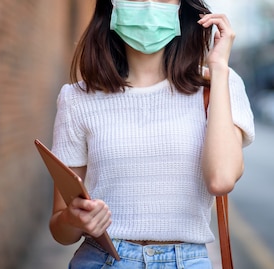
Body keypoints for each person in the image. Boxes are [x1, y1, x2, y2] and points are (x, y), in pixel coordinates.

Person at [49, 0, 255, 268]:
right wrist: (74, 220)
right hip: (102, 260)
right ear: (110, 6)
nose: (148, 5)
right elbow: (59, 228)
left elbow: (221, 180)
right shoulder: (76, 99)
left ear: (181, 7)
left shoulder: (220, 85)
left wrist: (218, 68)